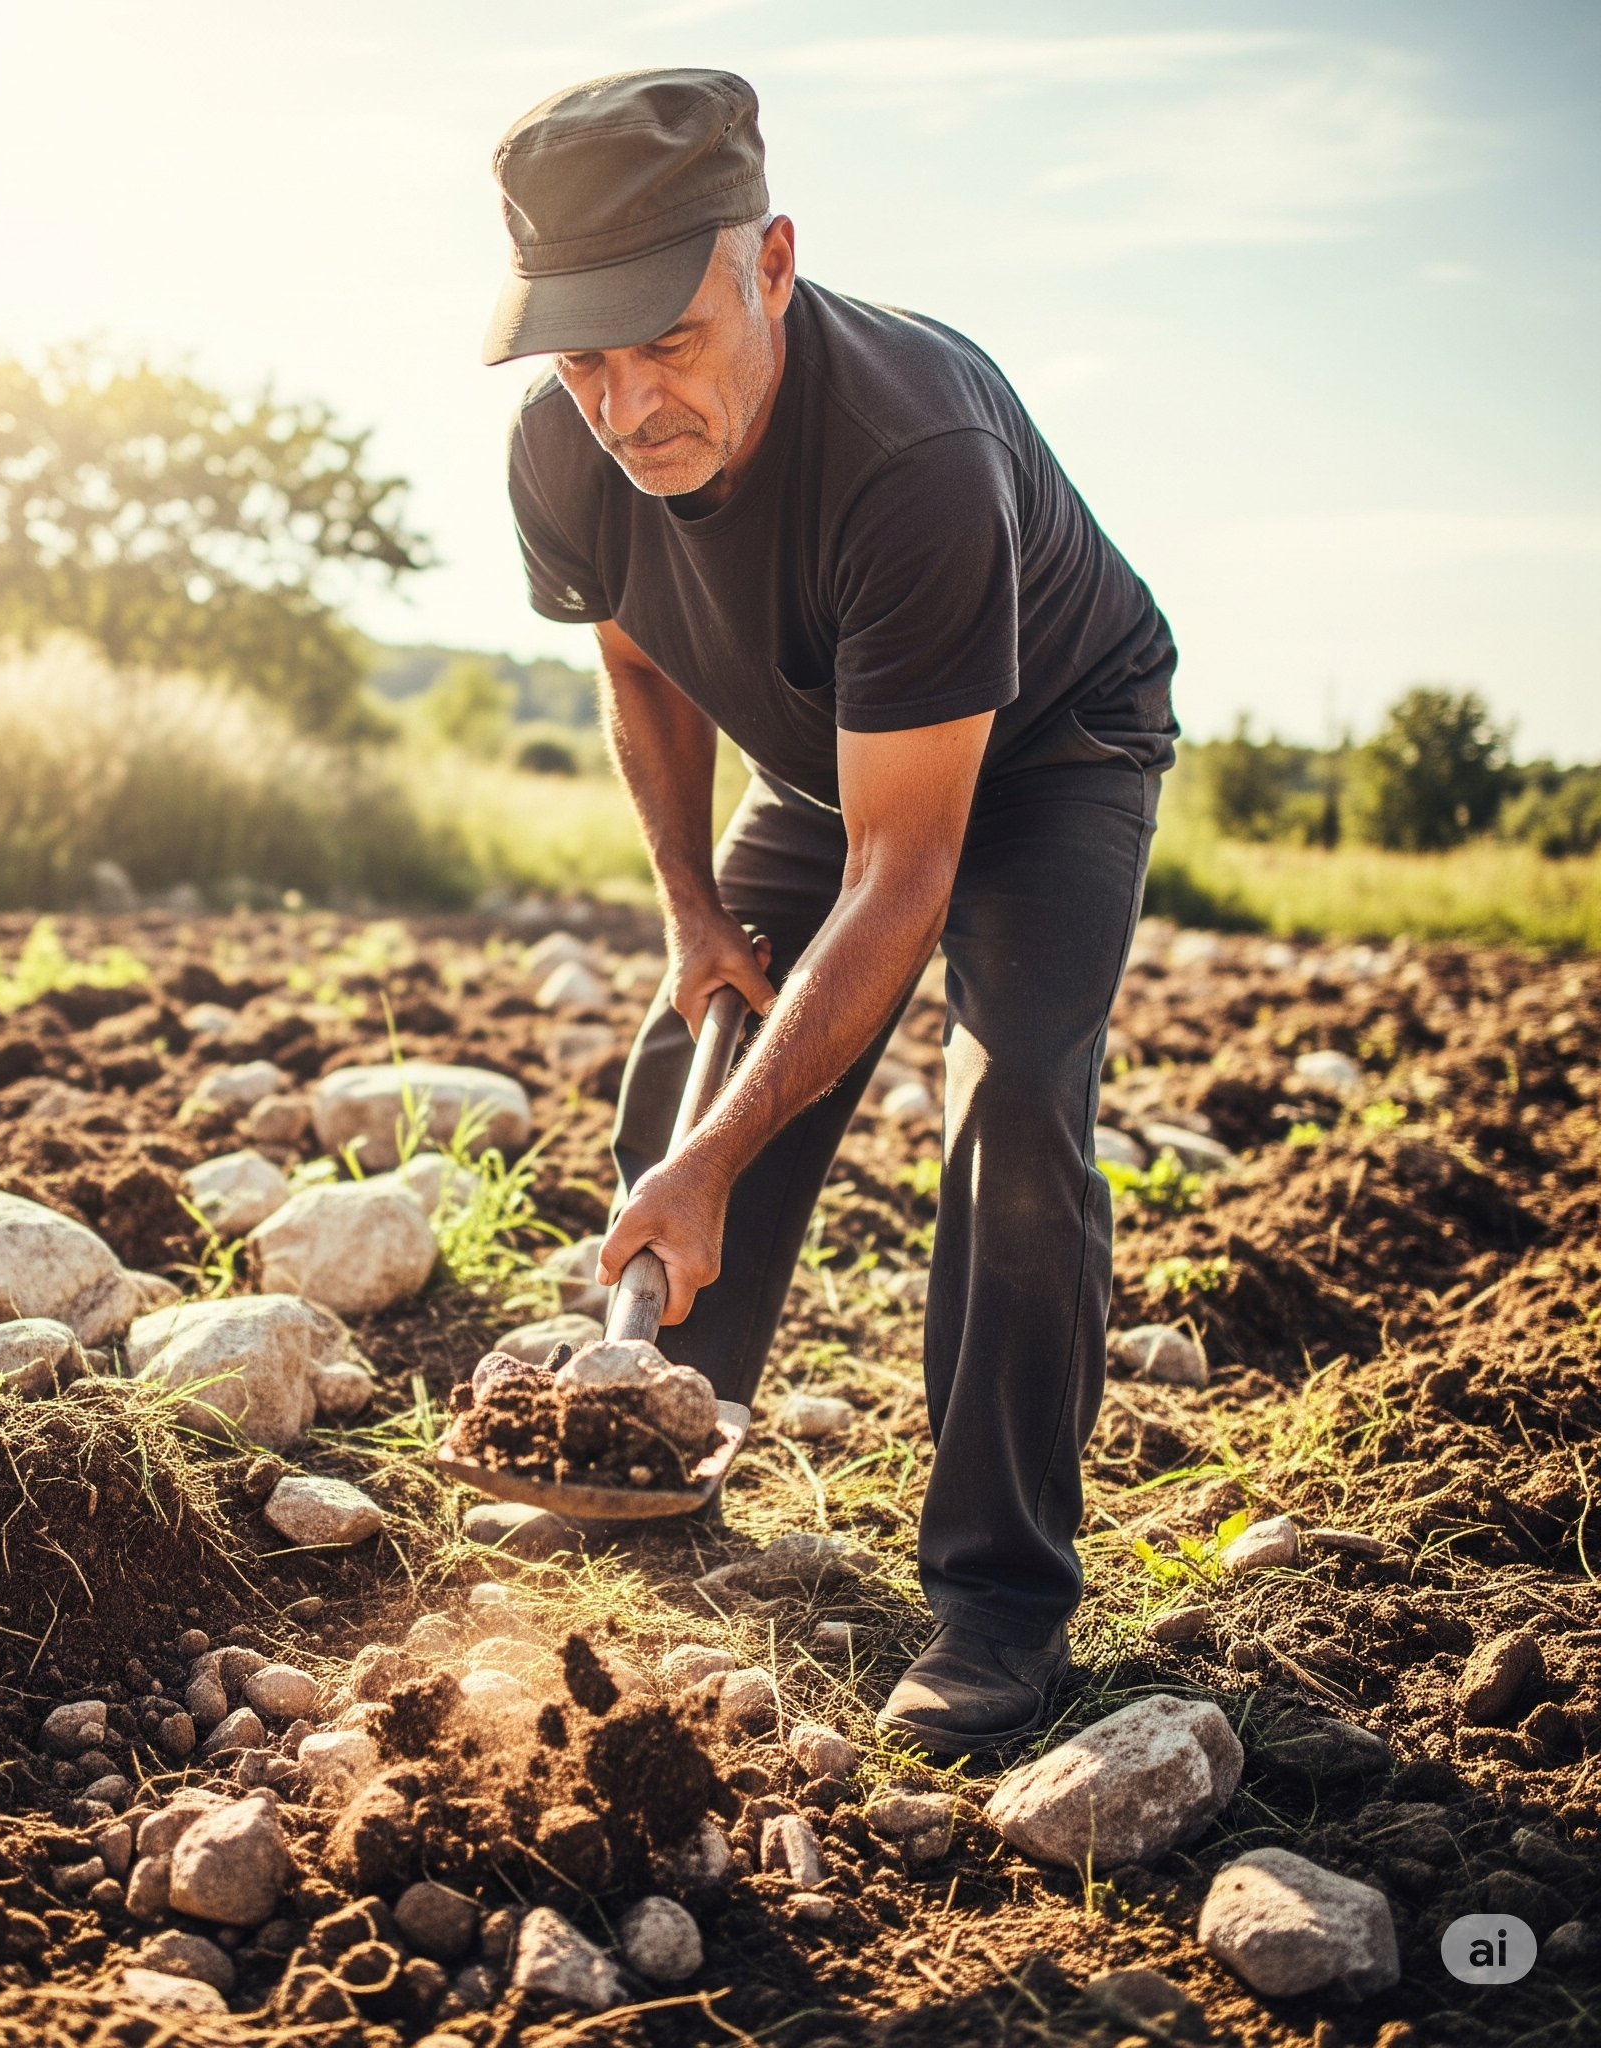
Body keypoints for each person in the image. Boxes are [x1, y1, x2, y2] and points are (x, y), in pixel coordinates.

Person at [483, 68, 1177, 1749]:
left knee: (1011, 1109)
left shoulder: (913, 450)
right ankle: (657, 1448)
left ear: (771, 263)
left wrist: (714, 1161)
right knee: (692, 1045)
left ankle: (1001, 1599)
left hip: (1048, 754)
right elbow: (641, 663)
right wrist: (688, 917)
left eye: (671, 339)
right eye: (587, 358)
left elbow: (909, 871)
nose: (631, 404)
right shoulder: (562, 449)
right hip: (827, 760)